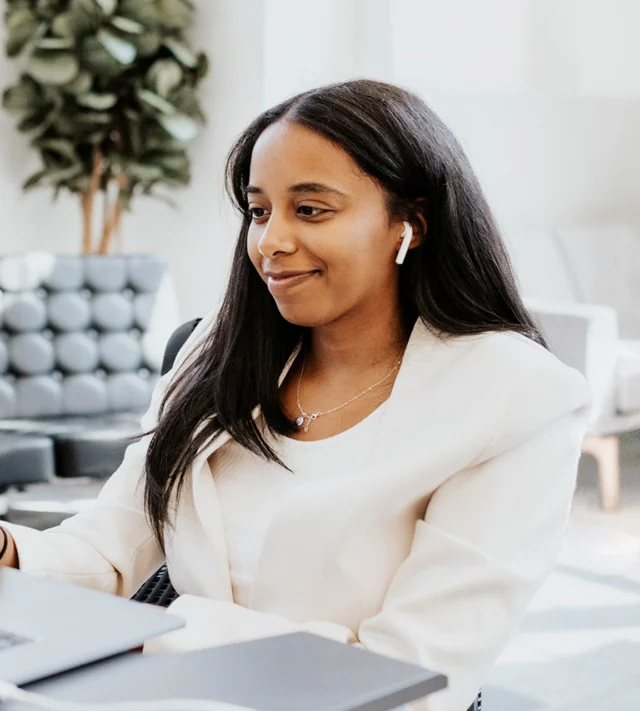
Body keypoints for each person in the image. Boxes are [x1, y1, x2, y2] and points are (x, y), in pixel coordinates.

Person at [0, 79, 589, 711]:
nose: (270, 242)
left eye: (311, 210)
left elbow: (414, 678)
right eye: (258, 211)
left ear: (410, 224)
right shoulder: (215, 355)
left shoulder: (519, 397)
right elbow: (110, 553)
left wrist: (159, 634)